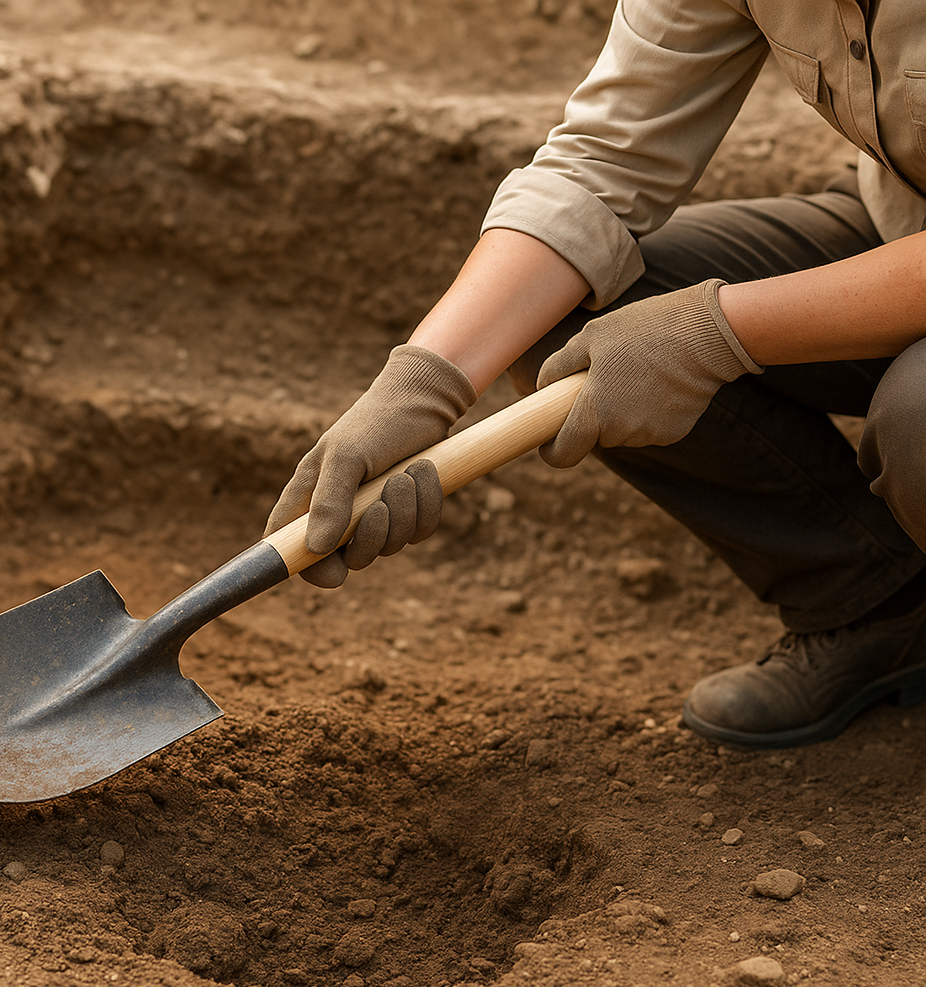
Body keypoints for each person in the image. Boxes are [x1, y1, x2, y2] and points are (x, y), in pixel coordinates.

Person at [265, 0, 926, 750]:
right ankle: (880, 607)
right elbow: (604, 158)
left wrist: (715, 332)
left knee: (920, 422)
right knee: (566, 311)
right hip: (900, 224)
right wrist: (422, 383)